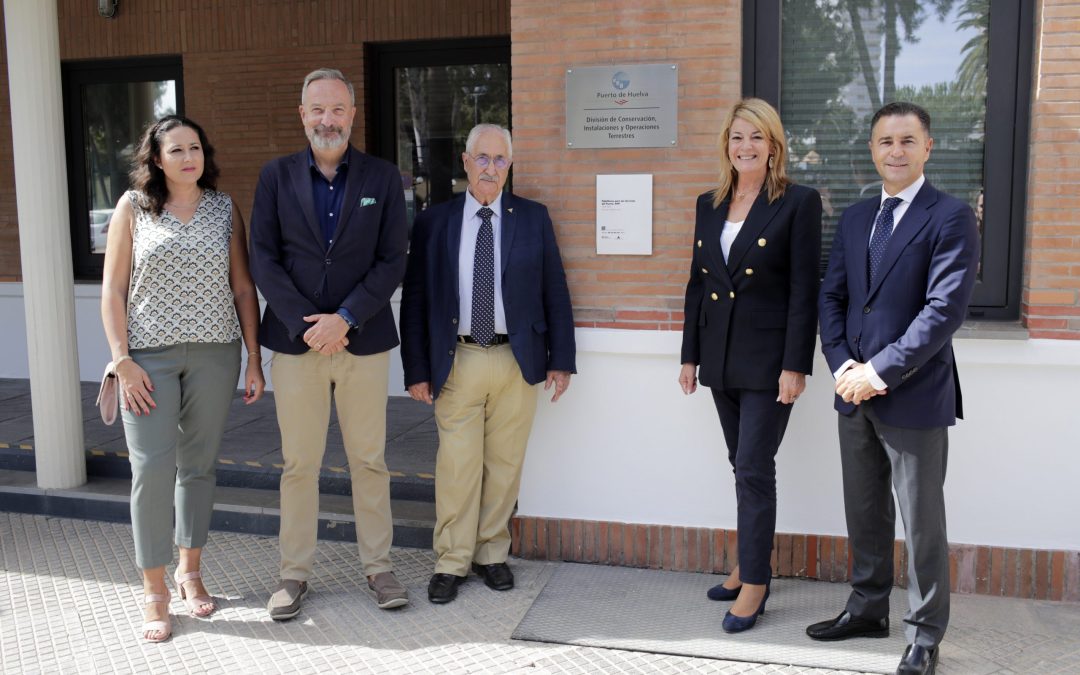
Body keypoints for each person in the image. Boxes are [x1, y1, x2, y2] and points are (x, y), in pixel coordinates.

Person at [809, 102, 979, 675]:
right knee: (865, 512)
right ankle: (867, 607)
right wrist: (841, 369)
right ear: (872, 151)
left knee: (922, 520)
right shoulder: (856, 219)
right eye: (885, 142)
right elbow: (831, 298)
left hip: (912, 392)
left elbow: (942, 311)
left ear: (928, 147)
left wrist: (876, 371)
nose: (896, 151)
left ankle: (925, 634)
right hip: (851, 391)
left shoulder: (951, 216)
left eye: (907, 141)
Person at [248, 68, 409, 619]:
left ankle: (380, 568)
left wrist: (345, 317)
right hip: (297, 346)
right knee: (300, 464)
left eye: (337, 109)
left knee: (370, 460)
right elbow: (263, 259)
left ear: (353, 114)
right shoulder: (275, 177)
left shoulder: (384, 179)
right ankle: (293, 575)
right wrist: (308, 324)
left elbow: (393, 260)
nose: (328, 120)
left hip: (363, 342)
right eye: (317, 110)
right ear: (302, 115)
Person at [100, 115, 265, 642]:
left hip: (217, 355)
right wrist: (121, 358)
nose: (189, 157)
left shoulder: (223, 208)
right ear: (156, 158)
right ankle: (154, 591)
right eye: (176, 150)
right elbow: (113, 290)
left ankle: (190, 572)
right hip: (147, 360)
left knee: (197, 467)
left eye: (195, 148)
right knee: (151, 469)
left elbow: (243, 289)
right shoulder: (132, 208)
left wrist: (254, 358)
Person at [399, 123, 576, 604]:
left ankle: (491, 554)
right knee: (457, 466)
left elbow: (554, 289)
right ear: (465, 161)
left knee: (504, 465)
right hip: (458, 358)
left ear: (509, 166)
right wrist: (415, 369)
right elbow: (414, 298)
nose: (490, 168)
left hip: (517, 360)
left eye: (500, 160)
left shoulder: (533, 218)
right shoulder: (434, 222)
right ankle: (451, 562)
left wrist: (560, 359)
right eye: (482, 158)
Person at [678, 98, 822, 633]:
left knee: (756, 468)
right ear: (727, 144)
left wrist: (795, 365)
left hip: (769, 362)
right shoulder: (708, 202)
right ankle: (746, 564)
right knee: (741, 466)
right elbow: (698, 284)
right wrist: (690, 354)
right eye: (738, 137)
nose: (746, 147)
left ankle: (756, 584)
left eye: (756, 137)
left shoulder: (798, 202)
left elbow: (805, 290)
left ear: (774, 145)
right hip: (720, 357)